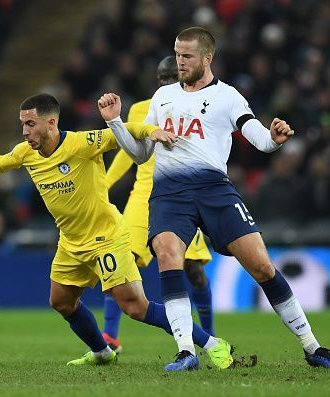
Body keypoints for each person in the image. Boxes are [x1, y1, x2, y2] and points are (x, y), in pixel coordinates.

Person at [0, 93, 233, 371]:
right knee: (61, 301)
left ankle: (212, 344)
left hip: (106, 239)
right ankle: (102, 352)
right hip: (71, 242)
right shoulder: (26, 153)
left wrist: (151, 131)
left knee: (136, 307)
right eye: (22, 124)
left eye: (30, 124)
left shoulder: (82, 144)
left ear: (51, 122)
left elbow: (126, 129)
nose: (24, 131)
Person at [103, 26, 330, 370]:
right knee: (168, 255)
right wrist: (116, 123)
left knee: (262, 266)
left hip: (214, 191)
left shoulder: (229, 97)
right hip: (170, 193)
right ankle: (186, 351)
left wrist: (275, 139)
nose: (180, 62)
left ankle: (313, 348)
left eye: (186, 56)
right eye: (176, 54)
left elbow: (260, 139)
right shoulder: (162, 98)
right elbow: (141, 155)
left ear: (207, 57)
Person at [102, 56, 215, 354]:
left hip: (180, 194)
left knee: (193, 270)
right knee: (121, 261)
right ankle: (109, 336)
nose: (166, 83)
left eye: (171, 77)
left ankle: (211, 336)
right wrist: (105, 185)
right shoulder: (141, 109)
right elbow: (127, 152)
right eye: (162, 78)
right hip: (142, 197)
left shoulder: (195, 106)